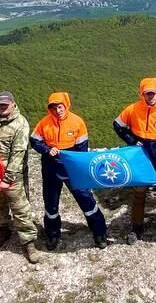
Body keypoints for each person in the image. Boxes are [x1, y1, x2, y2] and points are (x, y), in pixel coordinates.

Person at [30, 91, 108, 251]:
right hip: (50, 166)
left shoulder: (77, 122)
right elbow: (34, 140)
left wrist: (80, 168)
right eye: (53, 108)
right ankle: (53, 234)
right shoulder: (44, 123)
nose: (57, 111)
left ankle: (99, 233)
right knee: (50, 202)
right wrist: (46, 149)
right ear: (49, 109)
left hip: (72, 167)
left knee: (85, 198)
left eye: (60, 107)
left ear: (66, 105)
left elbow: (82, 148)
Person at [112, 76, 156, 254]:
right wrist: (132, 140)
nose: (151, 97)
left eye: (154, 94)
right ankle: (136, 228)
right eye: (147, 94)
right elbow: (117, 125)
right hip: (140, 160)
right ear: (142, 94)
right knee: (138, 195)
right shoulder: (133, 109)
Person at [0, 91, 41, 264]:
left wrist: (7, 178)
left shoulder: (20, 124)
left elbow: (18, 154)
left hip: (13, 175)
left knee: (20, 208)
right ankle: (3, 228)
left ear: (13, 104)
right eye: (0, 103)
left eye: (6, 104)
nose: (2, 106)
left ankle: (28, 242)